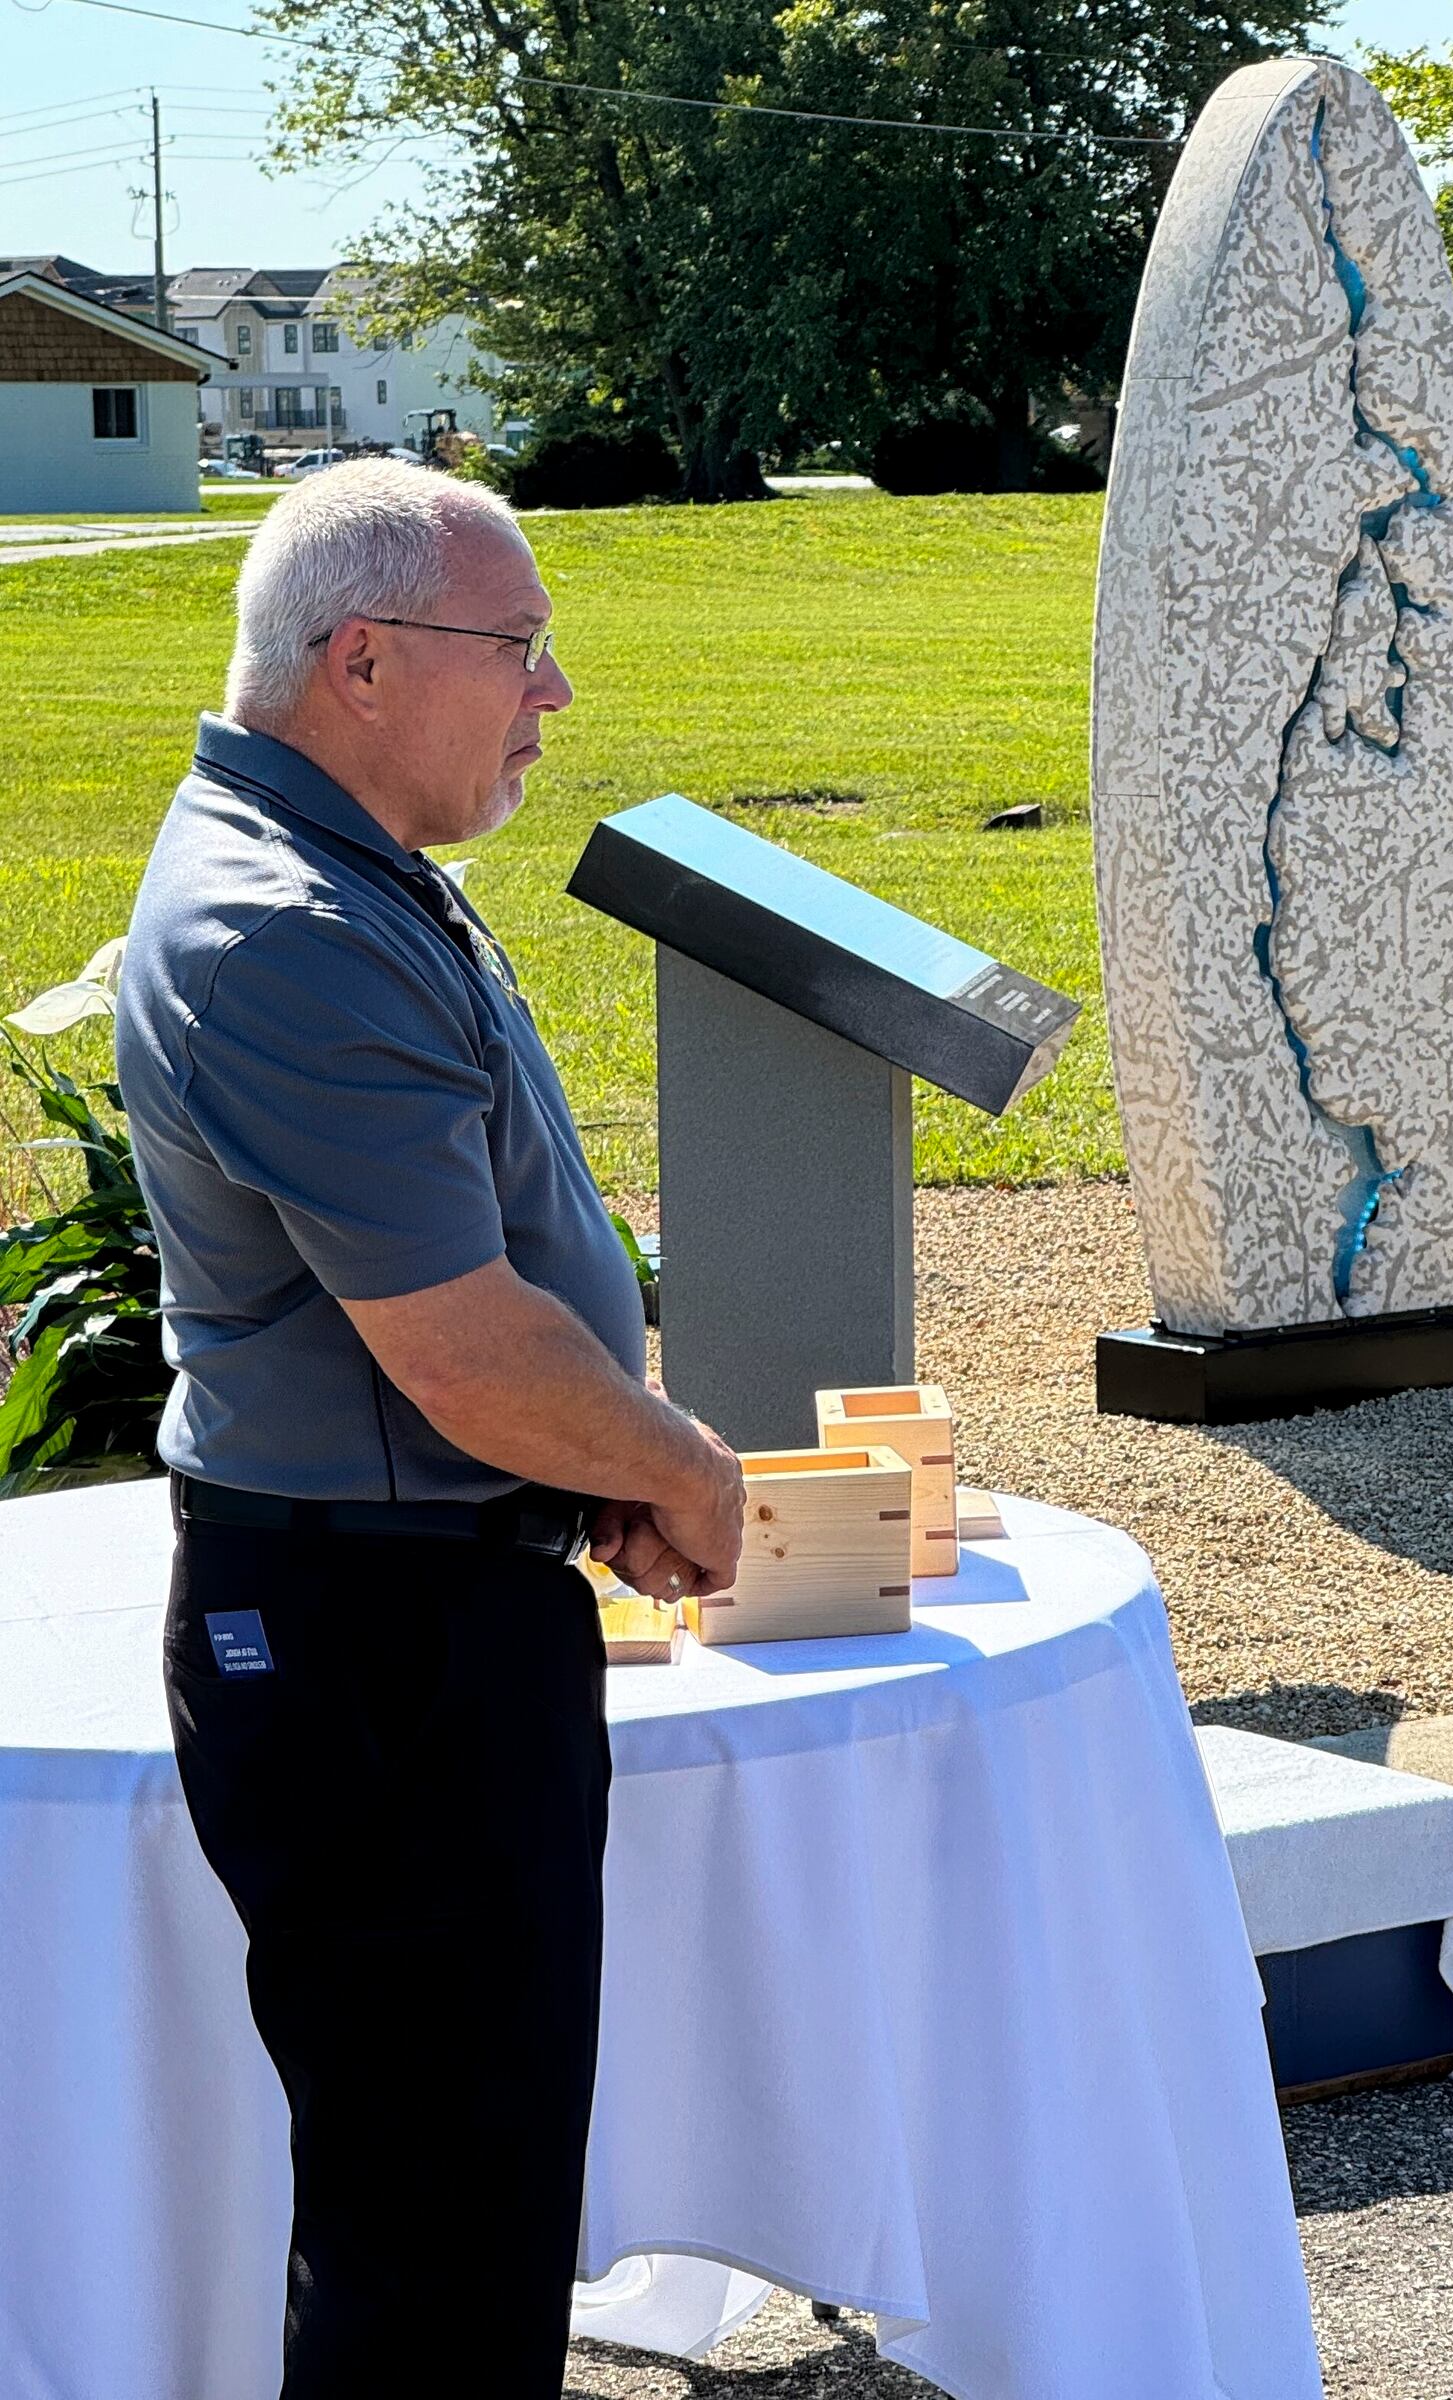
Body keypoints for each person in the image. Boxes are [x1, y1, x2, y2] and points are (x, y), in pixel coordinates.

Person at [115, 459, 744, 2398]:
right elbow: (459, 1349)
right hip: (371, 1640)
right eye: (521, 649)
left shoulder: (344, 873)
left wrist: (599, 1466)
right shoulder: (280, 924)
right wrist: (675, 1470)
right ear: (365, 660)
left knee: (461, 2209)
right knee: (429, 2231)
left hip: (412, 1605)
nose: (551, 694)